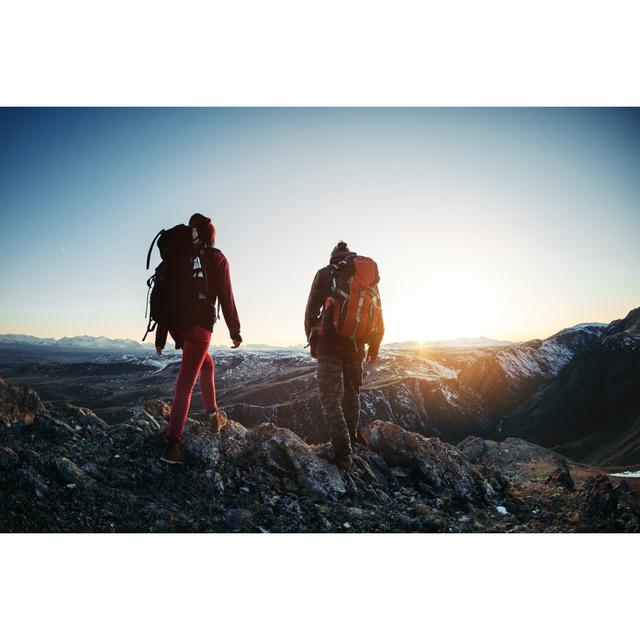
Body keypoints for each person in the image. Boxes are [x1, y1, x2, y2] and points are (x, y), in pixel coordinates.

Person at [157, 213, 242, 464]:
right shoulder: (216, 258)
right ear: (212, 235)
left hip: (178, 326)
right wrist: (234, 331)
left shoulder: (180, 258)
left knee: (207, 364)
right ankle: (173, 445)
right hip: (199, 327)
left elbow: (166, 296)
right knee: (185, 383)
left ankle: (213, 414)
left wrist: (161, 337)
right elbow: (226, 296)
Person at [305, 241, 384, 469]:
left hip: (329, 345)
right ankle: (351, 442)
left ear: (333, 256)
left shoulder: (325, 274)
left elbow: (311, 310)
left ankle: (343, 454)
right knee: (352, 395)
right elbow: (379, 312)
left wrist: (312, 342)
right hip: (357, 346)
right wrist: (375, 347)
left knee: (331, 399)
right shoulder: (366, 276)